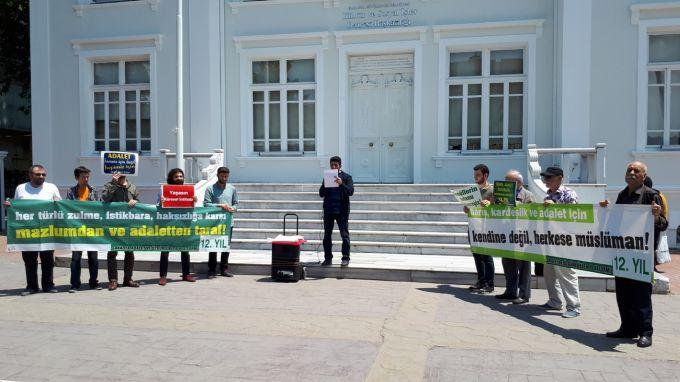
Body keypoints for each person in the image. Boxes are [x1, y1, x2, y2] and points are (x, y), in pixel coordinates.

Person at [601, 161, 667, 348]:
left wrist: (656, 215)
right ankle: (627, 328)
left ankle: (645, 333)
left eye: (635, 171)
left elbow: (663, 224)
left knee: (641, 296)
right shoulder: (622, 194)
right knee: (623, 294)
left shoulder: (652, 195)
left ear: (643, 176)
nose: (631, 173)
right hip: (623, 253)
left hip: (641, 255)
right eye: (629, 170)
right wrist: (605, 209)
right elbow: (615, 221)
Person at [4, 165, 62, 295]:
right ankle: (31, 286)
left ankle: (48, 285)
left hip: (47, 231)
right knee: (30, 260)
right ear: (30, 175)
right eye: (38, 174)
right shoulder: (21, 188)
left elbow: (59, 206)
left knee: (47, 259)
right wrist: (10, 206)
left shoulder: (51, 187)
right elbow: (16, 207)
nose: (41, 177)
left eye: (43, 174)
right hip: (27, 231)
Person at [540, 166, 582, 318]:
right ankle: (555, 302)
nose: (546, 181)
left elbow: (575, 216)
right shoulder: (548, 194)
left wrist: (555, 206)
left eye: (549, 178)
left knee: (566, 273)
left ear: (560, 178)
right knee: (549, 272)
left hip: (565, 241)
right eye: (545, 178)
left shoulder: (569, 193)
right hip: (550, 240)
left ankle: (574, 307)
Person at [494, 170, 534, 304]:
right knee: (508, 264)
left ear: (517, 182)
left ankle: (524, 295)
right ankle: (510, 291)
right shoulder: (500, 195)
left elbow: (531, 215)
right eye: (505, 180)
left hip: (521, 236)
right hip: (506, 234)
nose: (505, 183)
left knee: (523, 267)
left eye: (508, 181)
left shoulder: (528, 195)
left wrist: (517, 205)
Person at [158, 168, 198, 285]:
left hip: (183, 223)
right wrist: (161, 201)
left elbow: (191, 208)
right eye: (176, 177)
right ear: (171, 178)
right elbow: (157, 207)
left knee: (185, 250)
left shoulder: (188, 190)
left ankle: (186, 274)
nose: (179, 179)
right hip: (168, 223)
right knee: (165, 251)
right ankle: (163, 276)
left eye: (181, 176)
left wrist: (194, 201)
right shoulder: (163, 189)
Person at [101, 173, 140, 291]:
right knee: (112, 253)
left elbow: (138, 201)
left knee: (129, 252)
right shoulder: (108, 185)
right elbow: (105, 198)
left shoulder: (132, 187)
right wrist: (113, 183)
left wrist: (135, 201)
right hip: (113, 224)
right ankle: (113, 280)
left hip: (128, 225)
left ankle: (128, 279)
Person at [66, 166, 101, 292]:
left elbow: (98, 208)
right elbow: (68, 208)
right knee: (76, 258)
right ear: (77, 178)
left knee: (93, 258)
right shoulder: (71, 191)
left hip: (91, 229)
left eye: (87, 176)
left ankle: (94, 282)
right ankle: (75, 284)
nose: (86, 179)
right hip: (77, 230)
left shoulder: (94, 190)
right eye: (83, 177)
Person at [464, 164, 495, 293]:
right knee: (477, 254)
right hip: (473, 226)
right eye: (474, 175)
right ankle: (480, 281)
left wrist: (490, 204)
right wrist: (466, 208)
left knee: (486, 256)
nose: (475, 178)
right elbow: (468, 209)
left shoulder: (493, 190)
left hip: (487, 227)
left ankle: (490, 283)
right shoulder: (473, 191)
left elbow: (499, 208)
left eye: (478, 175)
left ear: (485, 175)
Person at [319, 156, 354, 267]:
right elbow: (321, 193)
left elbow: (350, 192)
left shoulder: (347, 177)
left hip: (342, 211)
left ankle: (345, 258)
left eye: (336, 165)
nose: (333, 167)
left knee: (344, 235)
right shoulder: (327, 177)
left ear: (340, 166)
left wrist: (341, 183)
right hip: (329, 210)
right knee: (327, 236)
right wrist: (325, 184)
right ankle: (328, 258)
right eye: (332, 165)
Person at [203, 166, 238, 278]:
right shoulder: (210, 189)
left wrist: (233, 208)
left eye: (226, 176)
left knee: (225, 246)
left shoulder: (232, 189)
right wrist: (219, 205)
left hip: (228, 222)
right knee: (213, 246)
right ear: (217, 175)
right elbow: (206, 204)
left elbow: (236, 203)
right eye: (222, 176)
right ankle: (211, 270)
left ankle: (224, 269)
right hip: (214, 222)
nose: (224, 178)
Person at [643, 176, 669, 273]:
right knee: (652, 246)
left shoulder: (653, 195)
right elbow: (665, 209)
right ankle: (652, 266)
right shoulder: (658, 193)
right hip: (655, 226)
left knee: (651, 246)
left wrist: (659, 219)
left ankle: (651, 267)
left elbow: (661, 212)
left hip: (654, 225)